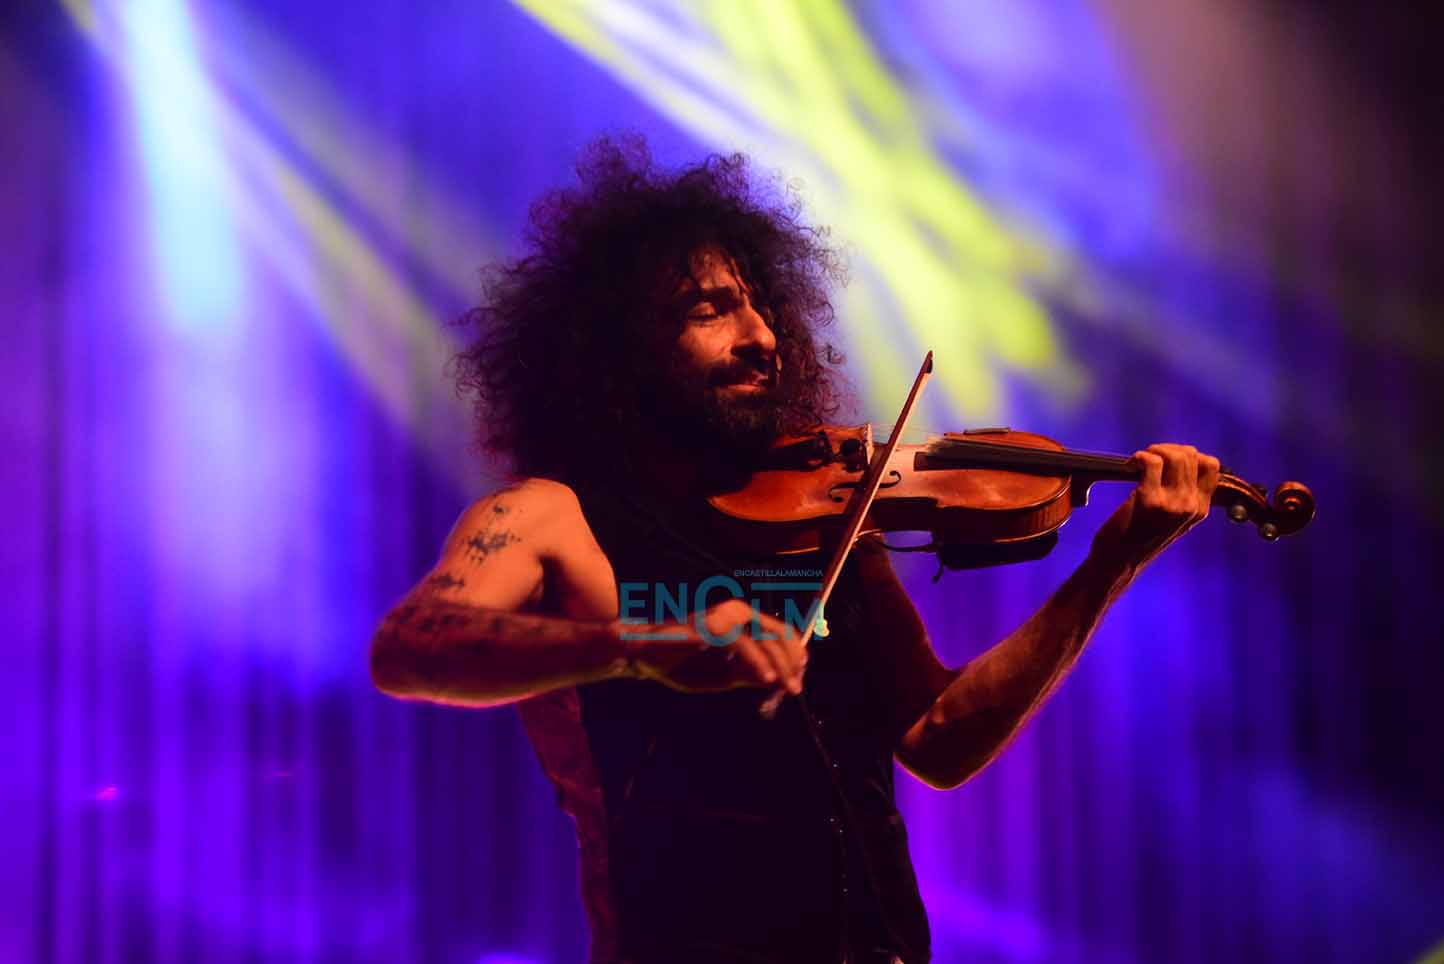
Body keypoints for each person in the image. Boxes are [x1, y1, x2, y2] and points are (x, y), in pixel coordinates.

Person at [368, 137, 1221, 964]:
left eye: (762, 308)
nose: (761, 338)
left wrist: (1110, 566)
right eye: (710, 311)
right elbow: (413, 644)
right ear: (618, 353)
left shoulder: (825, 522)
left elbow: (940, 737)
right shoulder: (557, 517)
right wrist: (643, 643)